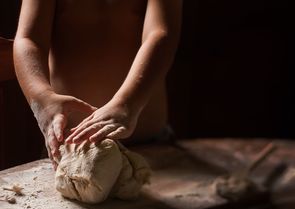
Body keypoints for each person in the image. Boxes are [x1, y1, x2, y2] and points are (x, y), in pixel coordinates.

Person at [14, 0, 182, 169]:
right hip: (71, 149)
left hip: (149, 143)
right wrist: (42, 98)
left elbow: (160, 33)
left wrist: (127, 104)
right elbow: (29, 39)